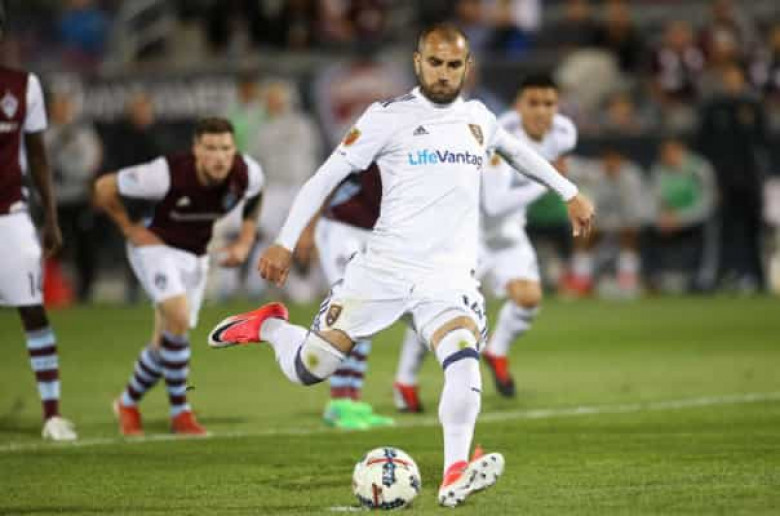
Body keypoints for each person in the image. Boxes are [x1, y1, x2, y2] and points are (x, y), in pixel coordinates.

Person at [208, 24, 593, 506]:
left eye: (453, 65)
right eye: (435, 63)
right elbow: (325, 177)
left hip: (447, 278)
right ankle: (270, 327)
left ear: (467, 67)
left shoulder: (478, 118)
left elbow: (518, 154)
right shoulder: (386, 117)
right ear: (418, 62)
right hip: (383, 270)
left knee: (462, 356)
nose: (444, 73)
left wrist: (570, 192)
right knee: (311, 368)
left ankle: (455, 472)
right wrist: (284, 241)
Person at [393, 74, 577, 405]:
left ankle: (497, 351)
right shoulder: (495, 134)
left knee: (528, 298)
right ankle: (405, 381)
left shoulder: (564, 133)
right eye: (533, 103)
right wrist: (550, 181)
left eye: (548, 103)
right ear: (518, 106)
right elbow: (494, 204)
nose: (541, 111)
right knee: (439, 308)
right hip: (468, 232)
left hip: (508, 232)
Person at [93, 118, 264, 437]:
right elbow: (104, 187)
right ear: (196, 149)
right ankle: (180, 413)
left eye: (225, 148)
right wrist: (129, 229)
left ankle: (127, 403)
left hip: (194, 256)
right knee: (179, 317)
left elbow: (256, 195)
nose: (219, 157)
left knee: (168, 339)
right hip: (155, 248)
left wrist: (245, 241)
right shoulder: (165, 173)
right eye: (210, 148)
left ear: (234, 150)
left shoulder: (247, 172)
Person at [0, 8, 78, 440]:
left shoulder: (22, 85)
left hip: (10, 217)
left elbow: (38, 156)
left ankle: (52, 414)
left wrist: (50, 217)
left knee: (33, 309)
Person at [314, 166, 394, 430]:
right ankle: (338, 401)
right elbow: (327, 178)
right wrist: (304, 230)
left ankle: (353, 399)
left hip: (373, 233)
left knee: (369, 314)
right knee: (350, 309)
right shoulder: (374, 147)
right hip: (342, 227)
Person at [46, 88, 103, 302]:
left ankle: (85, 290)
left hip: (79, 197)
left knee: (84, 244)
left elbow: (94, 160)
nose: (62, 110)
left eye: (65, 106)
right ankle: (54, 288)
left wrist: (80, 177)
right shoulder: (43, 133)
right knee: (56, 246)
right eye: (58, 106)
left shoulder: (83, 133)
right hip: (54, 200)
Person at [644, 137, 717, 292]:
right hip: (668, 219)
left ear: (681, 150)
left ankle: (703, 279)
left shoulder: (700, 168)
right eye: (664, 153)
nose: (667, 156)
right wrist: (663, 216)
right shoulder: (659, 170)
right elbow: (654, 197)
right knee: (645, 228)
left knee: (710, 226)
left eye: (671, 152)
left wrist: (681, 218)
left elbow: (707, 202)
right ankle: (653, 277)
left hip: (695, 218)